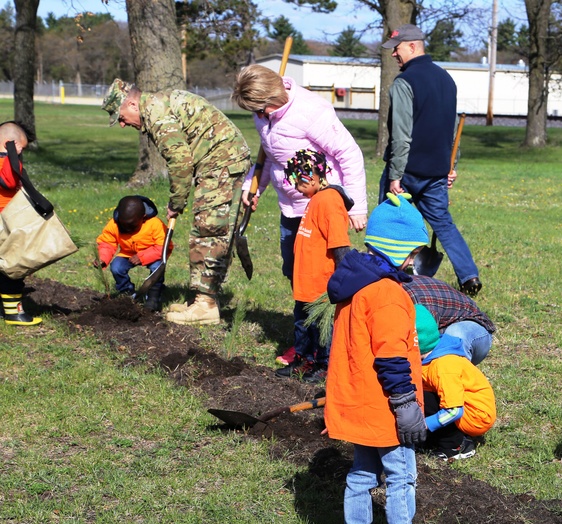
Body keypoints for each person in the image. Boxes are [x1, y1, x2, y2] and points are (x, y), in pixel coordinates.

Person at [324, 193, 452, 524]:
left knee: (363, 471)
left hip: (358, 401)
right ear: (399, 249)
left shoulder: (355, 285)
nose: (414, 260)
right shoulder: (389, 295)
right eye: (412, 252)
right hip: (384, 406)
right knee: (401, 474)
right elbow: (392, 357)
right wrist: (406, 405)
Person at [231, 64, 368, 365]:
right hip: (289, 208)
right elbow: (270, 154)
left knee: (323, 278)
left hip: (320, 207)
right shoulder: (263, 116)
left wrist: (356, 206)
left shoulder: (311, 111)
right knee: (297, 275)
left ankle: (331, 346)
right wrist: (254, 186)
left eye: (260, 110)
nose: (258, 117)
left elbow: (349, 153)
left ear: (270, 100)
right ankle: (306, 342)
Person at [101, 79, 251, 325]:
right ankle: (205, 298)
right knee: (211, 231)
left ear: (131, 103)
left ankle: (206, 306)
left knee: (208, 232)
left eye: (120, 115)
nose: (121, 123)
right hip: (221, 162)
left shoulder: (158, 117)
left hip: (221, 163)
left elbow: (180, 161)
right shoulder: (158, 105)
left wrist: (176, 202)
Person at [380, 24, 481, 297]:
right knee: (444, 224)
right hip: (436, 172)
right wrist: (451, 166)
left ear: (412, 46)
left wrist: (395, 175)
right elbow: (450, 131)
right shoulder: (447, 79)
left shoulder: (404, 83)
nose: (393, 56)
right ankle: (469, 276)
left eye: (396, 49)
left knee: (389, 223)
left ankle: (385, 278)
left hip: (408, 171)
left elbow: (401, 136)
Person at [278, 149, 353, 384]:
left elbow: (339, 243)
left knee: (321, 328)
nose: (296, 188)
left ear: (311, 176)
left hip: (321, 284)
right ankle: (303, 359)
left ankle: (324, 364)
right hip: (305, 283)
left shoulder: (329, 200)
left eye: (297, 182)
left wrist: (344, 277)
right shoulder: (315, 199)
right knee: (302, 323)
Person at [414, 305, 496, 461]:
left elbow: (453, 411)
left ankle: (456, 446)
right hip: (461, 407)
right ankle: (433, 439)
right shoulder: (432, 355)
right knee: (421, 395)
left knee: (425, 400)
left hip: (474, 416)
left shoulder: (444, 366)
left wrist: (424, 425)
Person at [93, 195, 174, 312]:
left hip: (153, 253)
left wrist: (143, 256)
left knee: (157, 268)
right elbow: (107, 242)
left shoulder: (155, 224)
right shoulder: (114, 223)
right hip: (128, 253)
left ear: (143, 217)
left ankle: (153, 296)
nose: (127, 228)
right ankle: (127, 294)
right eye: (123, 224)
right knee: (116, 267)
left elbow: (164, 247)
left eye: (132, 225)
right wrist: (102, 258)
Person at [402, 274, 495, 365]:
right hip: (443, 324)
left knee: (450, 341)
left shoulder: (417, 306)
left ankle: (455, 376)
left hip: (475, 327)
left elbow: (423, 347)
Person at [0, 121, 40, 326]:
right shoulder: (6, 162)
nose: (21, 153)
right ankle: (14, 313)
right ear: (9, 144)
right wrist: (12, 157)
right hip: (5, 223)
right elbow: (8, 182)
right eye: (20, 148)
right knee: (13, 267)